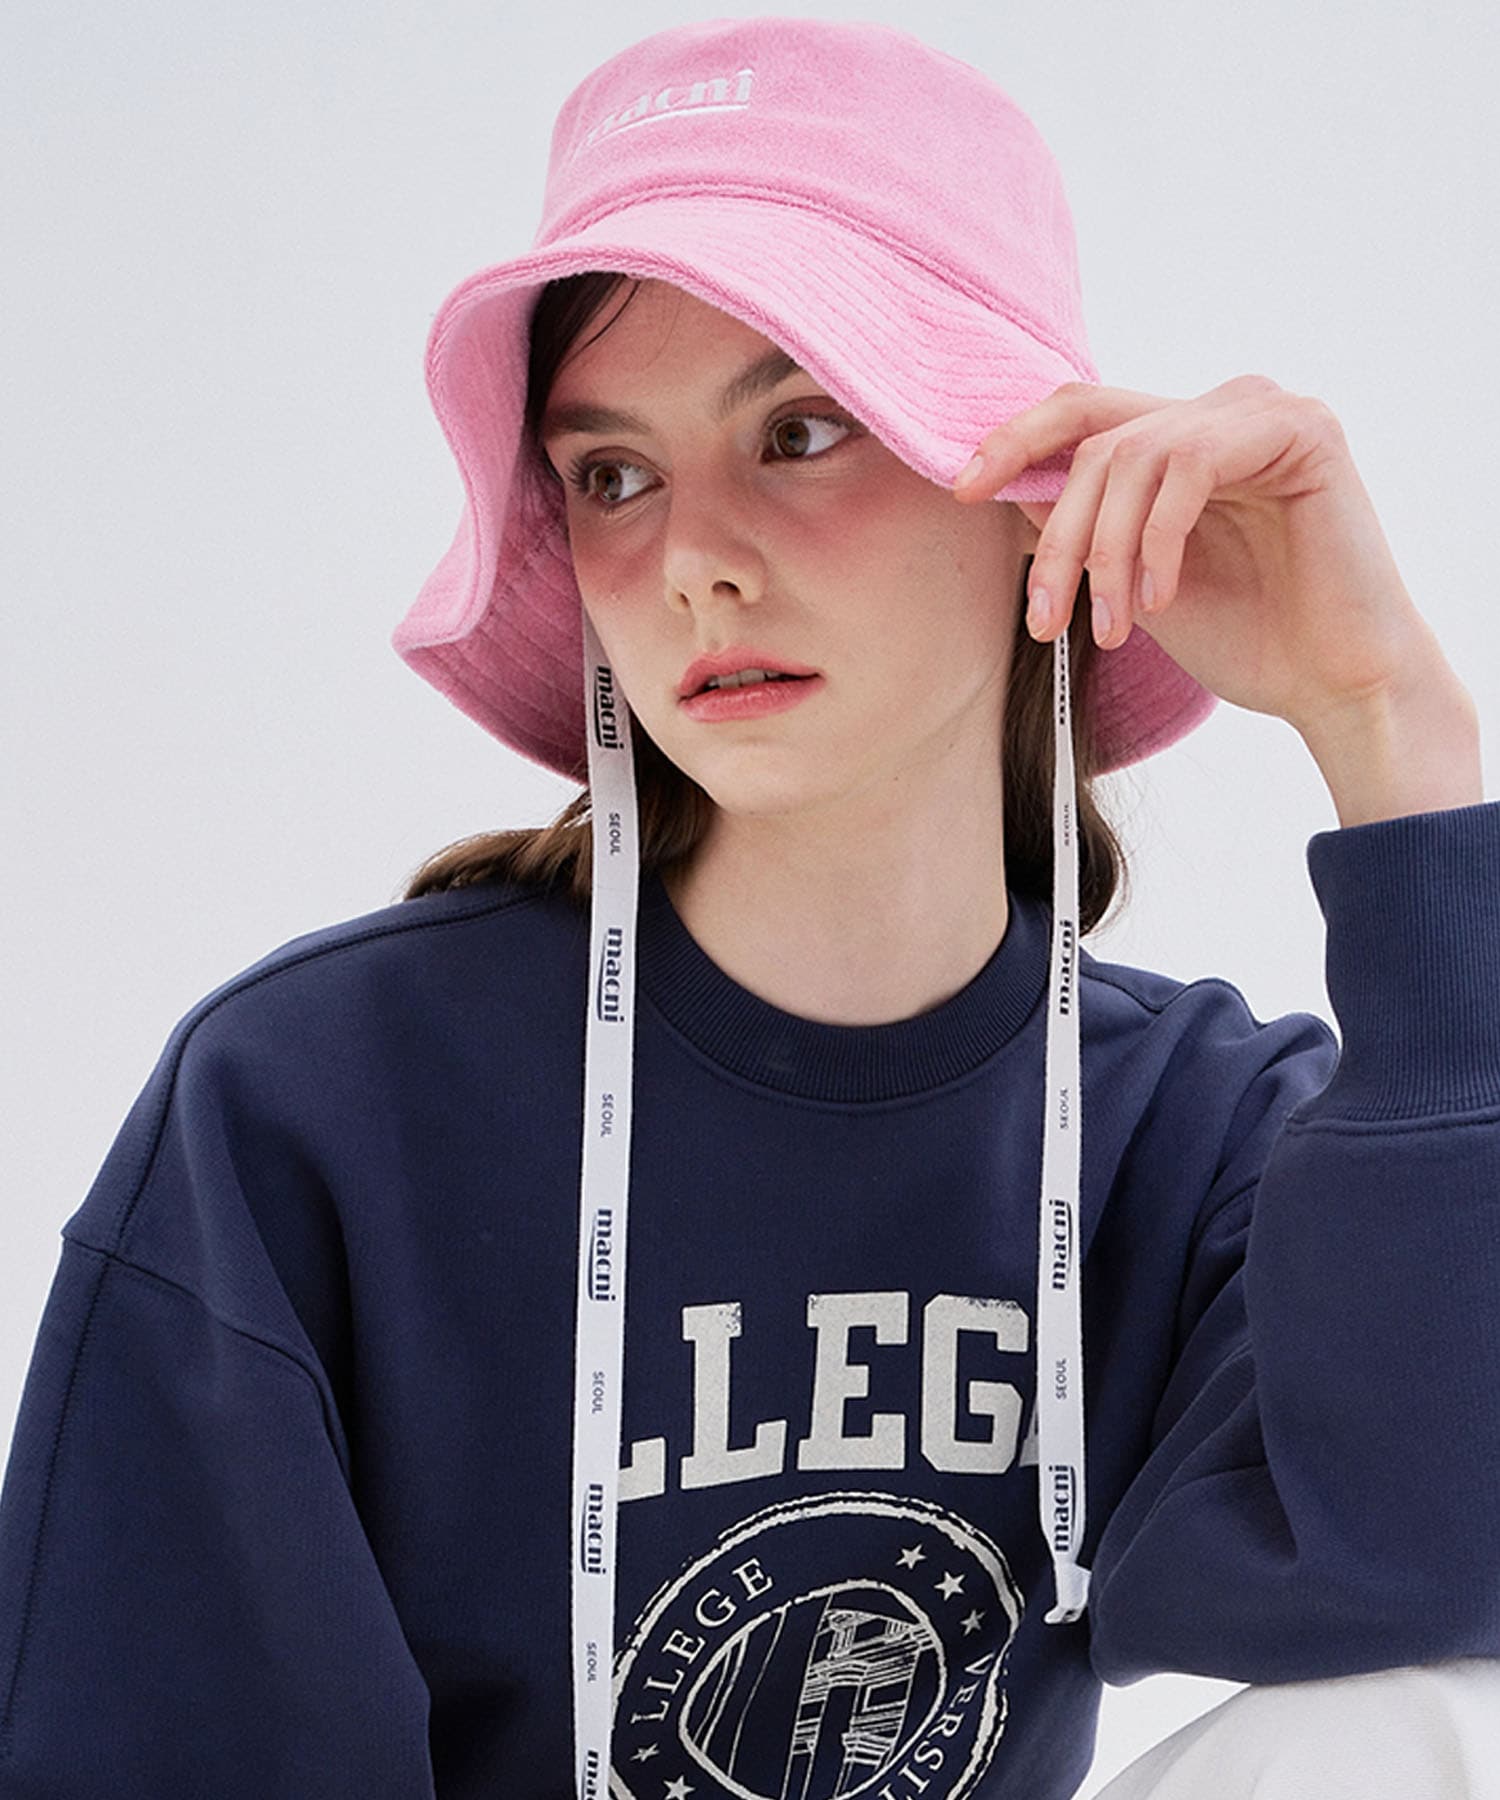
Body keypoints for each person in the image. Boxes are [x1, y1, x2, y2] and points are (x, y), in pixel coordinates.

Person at [0, 15, 1495, 1800]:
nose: (693, 560)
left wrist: (1392, 730)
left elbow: (1446, 1559)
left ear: (1042, 505)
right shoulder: (313, 1106)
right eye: (612, 475)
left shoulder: (1190, 1127)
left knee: (1434, 1708)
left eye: (798, 430)